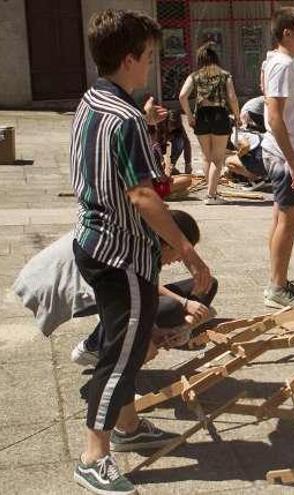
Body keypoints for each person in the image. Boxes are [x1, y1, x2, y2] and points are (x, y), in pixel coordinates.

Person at [69, 10, 212, 495]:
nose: (151, 66)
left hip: (91, 242)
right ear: (129, 58)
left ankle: (129, 428)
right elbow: (143, 196)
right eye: (148, 57)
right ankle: (94, 455)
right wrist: (188, 254)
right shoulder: (126, 117)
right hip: (122, 254)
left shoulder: (92, 102)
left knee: (120, 342)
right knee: (123, 355)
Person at [14, 211, 218, 361]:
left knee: (205, 286)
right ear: (168, 243)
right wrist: (150, 333)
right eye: (180, 254)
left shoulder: (144, 237)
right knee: (163, 312)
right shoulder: (136, 246)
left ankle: (100, 344)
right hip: (61, 287)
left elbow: (142, 286)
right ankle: (100, 353)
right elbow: (129, 295)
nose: (177, 261)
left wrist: (165, 328)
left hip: (95, 281)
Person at [260, 6, 294, 308]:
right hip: (285, 156)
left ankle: (278, 279)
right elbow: (275, 115)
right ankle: (277, 288)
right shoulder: (282, 65)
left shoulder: (276, 62)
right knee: (289, 221)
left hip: (283, 153)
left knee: (281, 218)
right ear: (287, 33)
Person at [179, 41, 241, 205]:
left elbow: (182, 96)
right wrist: (237, 115)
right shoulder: (224, 75)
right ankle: (212, 195)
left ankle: (210, 191)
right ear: (216, 58)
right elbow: (232, 98)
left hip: (201, 116)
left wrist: (189, 117)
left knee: (206, 156)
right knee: (218, 158)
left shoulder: (195, 75)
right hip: (219, 114)